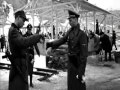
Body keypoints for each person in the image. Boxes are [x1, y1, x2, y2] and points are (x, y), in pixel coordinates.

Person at [46, 10, 88, 90]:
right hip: (71, 63)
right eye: (69, 20)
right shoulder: (70, 31)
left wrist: (81, 71)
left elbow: (84, 55)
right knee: (71, 85)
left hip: (78, 64)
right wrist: (51, 45)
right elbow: (62, 40)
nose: (69, 22)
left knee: (80, 84)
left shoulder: (82, 35)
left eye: (70, 20)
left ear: (75, 19)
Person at [8, 10, 44, 90]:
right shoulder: (13, 30)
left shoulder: (16, 30)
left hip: (20, 66)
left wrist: (29, 55)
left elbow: (22, 45)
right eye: (23, 20)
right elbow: (23, 42)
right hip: (18, 67)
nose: (24, 23)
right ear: (18, 18)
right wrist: (37, 36)